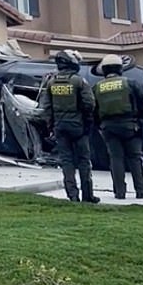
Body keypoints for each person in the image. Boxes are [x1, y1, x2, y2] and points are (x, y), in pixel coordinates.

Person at [40, 49, 99, 203]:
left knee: (66, 161)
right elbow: (89, 103)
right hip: (78, 127)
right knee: (84, 161)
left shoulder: (51, 82)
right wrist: (87, 122)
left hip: (59, 127)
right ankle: (88, 195)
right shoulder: (79, 81)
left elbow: (46, 107)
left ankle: (72, 195)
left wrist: (51, 126)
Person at [93, 54, 143, 199]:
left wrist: (100, 126)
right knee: (135, 158)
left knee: (116, 159)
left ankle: (119, 192)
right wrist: (140, 123)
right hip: (131, 126)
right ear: (120, 68)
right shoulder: (130, 83)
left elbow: (93, 110)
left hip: (108, 128)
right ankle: (141, 191)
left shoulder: (97, 87)